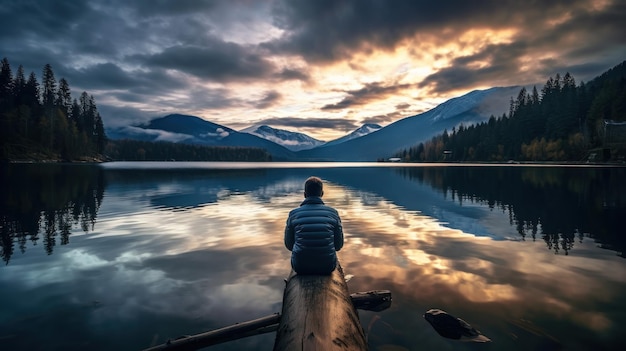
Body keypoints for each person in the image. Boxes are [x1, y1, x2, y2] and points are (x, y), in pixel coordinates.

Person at [284, 176, 344, 275]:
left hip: (300, 266)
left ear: (304, 194)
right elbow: (338, 246)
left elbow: (289, 245)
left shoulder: (293, 214)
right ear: (322, 194)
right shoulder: (333, 213)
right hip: (327, 266)